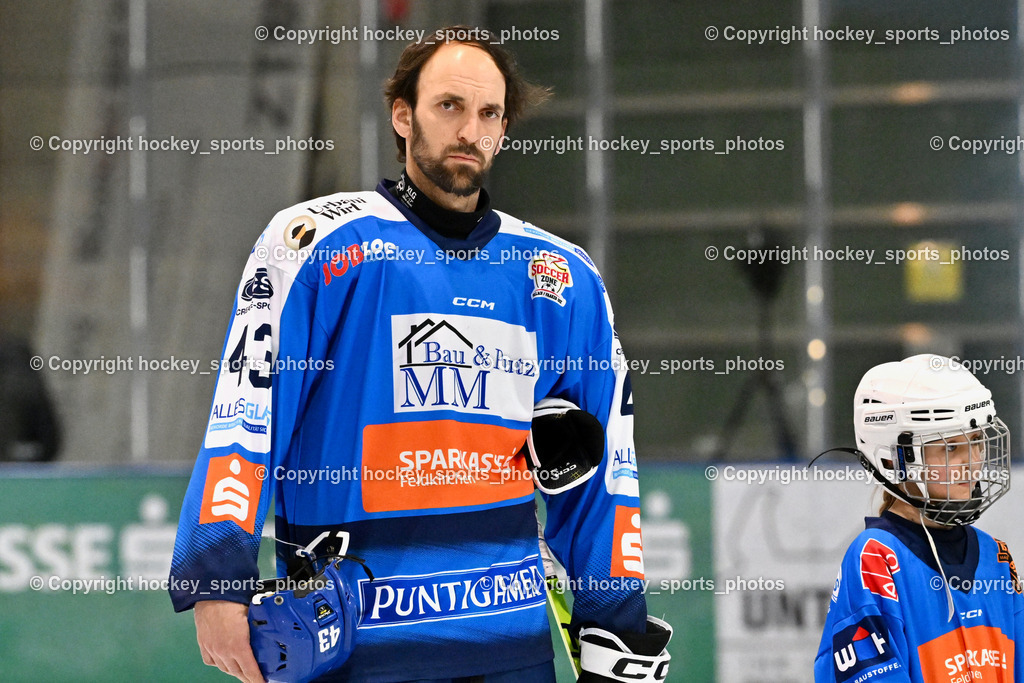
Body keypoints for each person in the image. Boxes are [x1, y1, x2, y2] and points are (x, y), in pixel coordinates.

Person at [169, 25, 671, 683]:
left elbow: (604, 475)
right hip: (356, 647)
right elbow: (247, 415)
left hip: (510, 649)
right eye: (449, 105)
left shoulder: (560, 277)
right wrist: (217, 576)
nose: (469, 129)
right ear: (403, 116)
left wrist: (618, 630)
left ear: (504, 129)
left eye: (489, 113)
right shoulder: (315, 246)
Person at [814, 354, 1023, 682]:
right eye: (950, 448)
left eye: (977, 441)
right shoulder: (876, 559)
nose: (973, 461)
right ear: (896, 459)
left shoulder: (996, 556)